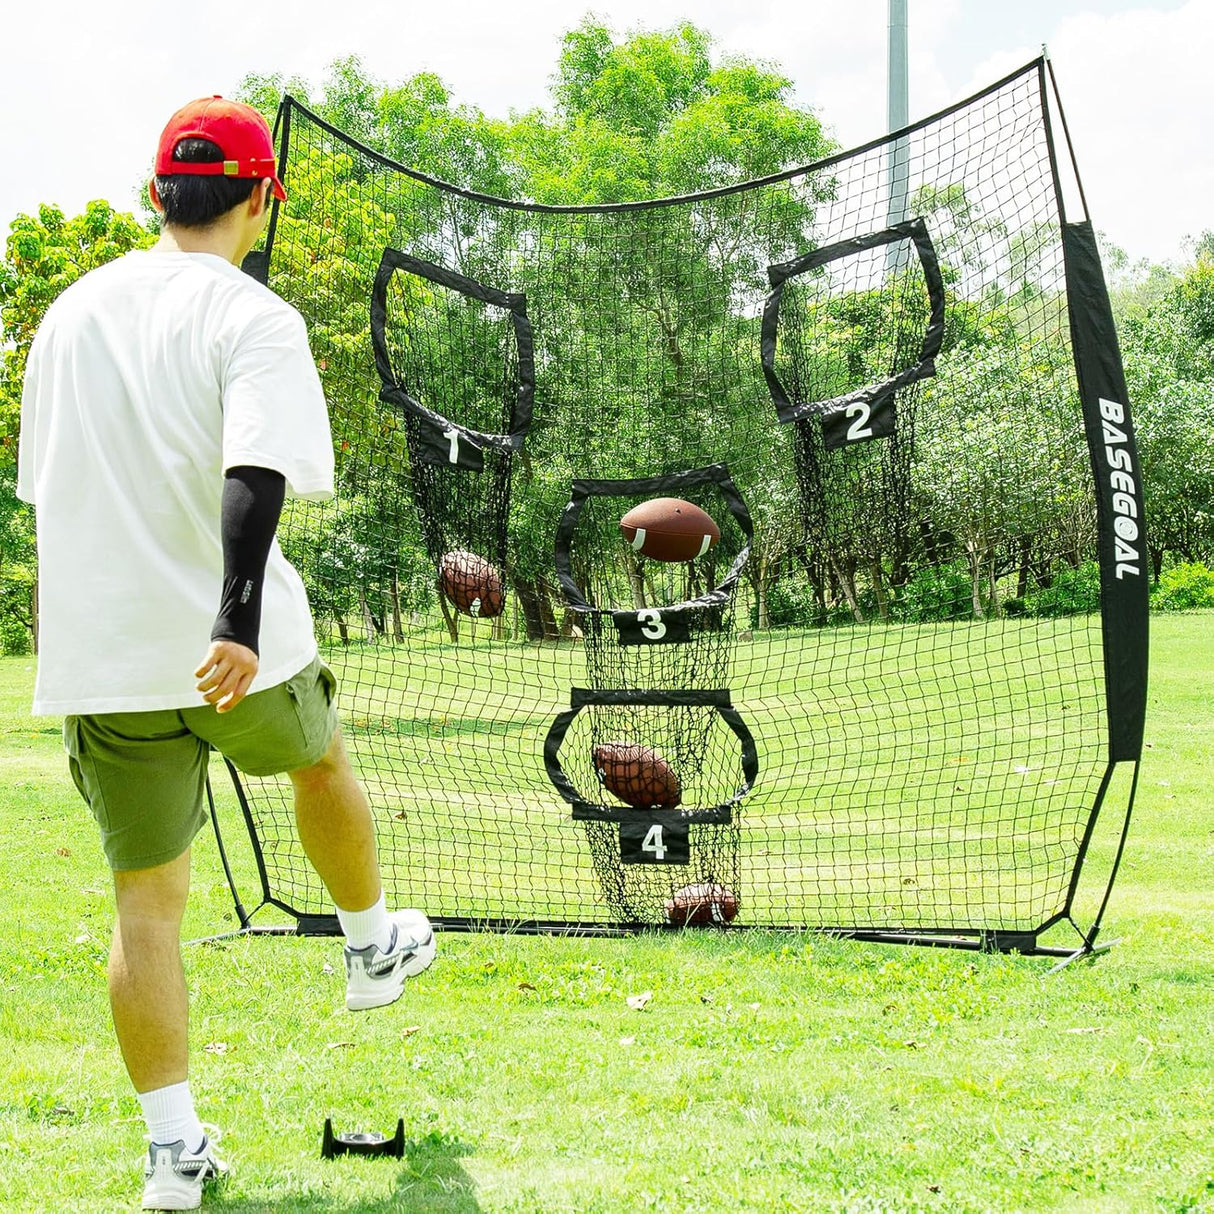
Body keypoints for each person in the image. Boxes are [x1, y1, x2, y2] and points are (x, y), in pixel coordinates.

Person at [17, 96, 435, 1212]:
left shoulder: (63, 315)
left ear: (158, 193)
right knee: (321, 760)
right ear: (261, 198)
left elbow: (43, 496)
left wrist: (84, 638)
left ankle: (172, 1154)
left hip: (105, 656)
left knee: (143, 906)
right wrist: (235, 619)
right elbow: (256, 471)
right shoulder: (251, 313)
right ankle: (368, 946)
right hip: (233, 647)